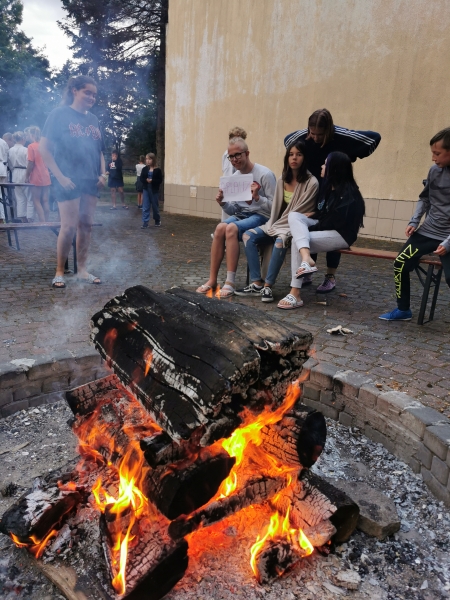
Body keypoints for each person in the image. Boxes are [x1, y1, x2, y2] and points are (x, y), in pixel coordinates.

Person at [284, 109, 380, 293]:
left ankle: (326, 276)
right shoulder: (305, 138)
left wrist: (348, 153)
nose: (315, 138)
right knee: (298, 221)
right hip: (321, 190)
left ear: (329, 131)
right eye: (312, 133)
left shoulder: (347, 194)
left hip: (338, 224)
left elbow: (373, 138)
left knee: (305, 236)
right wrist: (314, 216)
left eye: (320, 134)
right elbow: (288, 141)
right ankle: (306, 267)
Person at [40, 74, 106, 288]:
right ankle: (60, 271)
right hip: (67, 179)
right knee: (68, 227)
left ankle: (82, 270)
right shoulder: (59, 114)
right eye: (87, 92)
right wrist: (60, 177)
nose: (92, 97)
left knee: (86, 225)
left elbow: (100, 151)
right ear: (74, 91)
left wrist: (103, 174)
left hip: (91, 180)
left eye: (94, 95)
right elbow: (44, 149)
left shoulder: (93, 119)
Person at [278, 152, 365, 309]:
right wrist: (312, 215)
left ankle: (295, 293)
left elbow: (333, 223)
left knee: (297, 241)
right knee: (294, 216)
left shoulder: (349, 195)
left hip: (341, 235)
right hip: (326, 227)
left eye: (325, 164)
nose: (322, 166)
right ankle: (307, 259)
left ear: (334, 168)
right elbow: (324, 214)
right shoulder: (329, 188)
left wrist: (308, 227)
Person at [235, 140, 319, 303]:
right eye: (291, 154)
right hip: (277, 223)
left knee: (281, 240)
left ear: (305, 158)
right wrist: (259, 200)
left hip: (295, 226)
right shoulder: (282, 179)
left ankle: (268, 286)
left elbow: (303, 211)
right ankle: (256, 283)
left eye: (299, 154)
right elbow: (276, 207)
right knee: (248, 236)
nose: (294, 158)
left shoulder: (312, 183)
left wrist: (283, 225)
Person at [380, 128, 450, 321]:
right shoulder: (434, 171)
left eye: (437, 153)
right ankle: (403, 310)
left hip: (448, 237)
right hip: (428, 232)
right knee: (400, 263)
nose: (433, 158)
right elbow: (425, 198)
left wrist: (447, 243)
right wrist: (414, 221)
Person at [196, 137, 276, 298]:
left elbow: (275, 207)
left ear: (247, 153)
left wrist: (258, 198)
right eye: (231, 156)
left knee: (231, 228)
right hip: (243, 215)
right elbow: (235, 210)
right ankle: (212, 279)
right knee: (220, 228)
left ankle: (230, 281)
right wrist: (223, 203)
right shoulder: (235, 178)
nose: (234, 159)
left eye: (237, 155)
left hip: (263, 216)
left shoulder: (265, 174)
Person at [25, 126, 51, 222]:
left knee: (36, 200)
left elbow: (31, 163)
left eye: (27, 135)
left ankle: (42, 222)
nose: (27, 137)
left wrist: (27, 176)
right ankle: (47, 221)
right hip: (46, 175)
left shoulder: (31, 146)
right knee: (45, 200)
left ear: (31, 135)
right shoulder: (45, 146)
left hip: (36, 175)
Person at [8, 131, 33, 222]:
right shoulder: (26, 149)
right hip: (24, 172)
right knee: (29, 197)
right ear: (23, 139)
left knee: (19, 197)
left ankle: (22, 218)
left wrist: (13, 170)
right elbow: (29, 163)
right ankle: (30, 218)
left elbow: (10, 164)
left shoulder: (10, 150)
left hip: (15, 173)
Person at [140, 153, 162, 228]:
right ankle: (145, 222)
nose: (148, 161)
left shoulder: (158, 170)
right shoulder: (144, 169)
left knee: (155, 206)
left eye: (149, 159)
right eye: (146, 159)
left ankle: (157, 220)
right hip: (146, 189)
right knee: (146, 206)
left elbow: (160, 180)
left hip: (154, 190)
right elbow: (141, 178)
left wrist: (152, 181)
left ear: (153, 160)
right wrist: (146, 180)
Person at [0, 136, 8, 221]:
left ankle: (1, 218)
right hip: (2, 167)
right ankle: (2, 218)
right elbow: (6, 157)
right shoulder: (3, 142)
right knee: (1, 194)